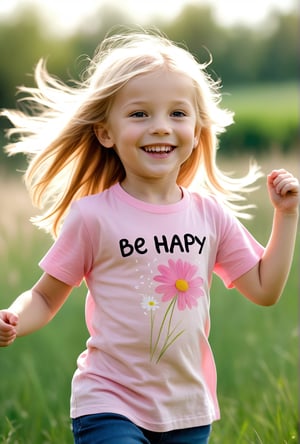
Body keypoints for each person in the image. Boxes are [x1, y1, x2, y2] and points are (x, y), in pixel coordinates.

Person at [0, 29, 298, 444]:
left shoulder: (208, 216)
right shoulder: (94, 217)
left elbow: (265, 289)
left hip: (187, 408)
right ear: (106, 132)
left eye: (177, 114)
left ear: (196, 132)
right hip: (107, 401)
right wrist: (13, 316)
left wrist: (286, 215)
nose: (160, 127)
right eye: (140, 114)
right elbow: (46, 296)